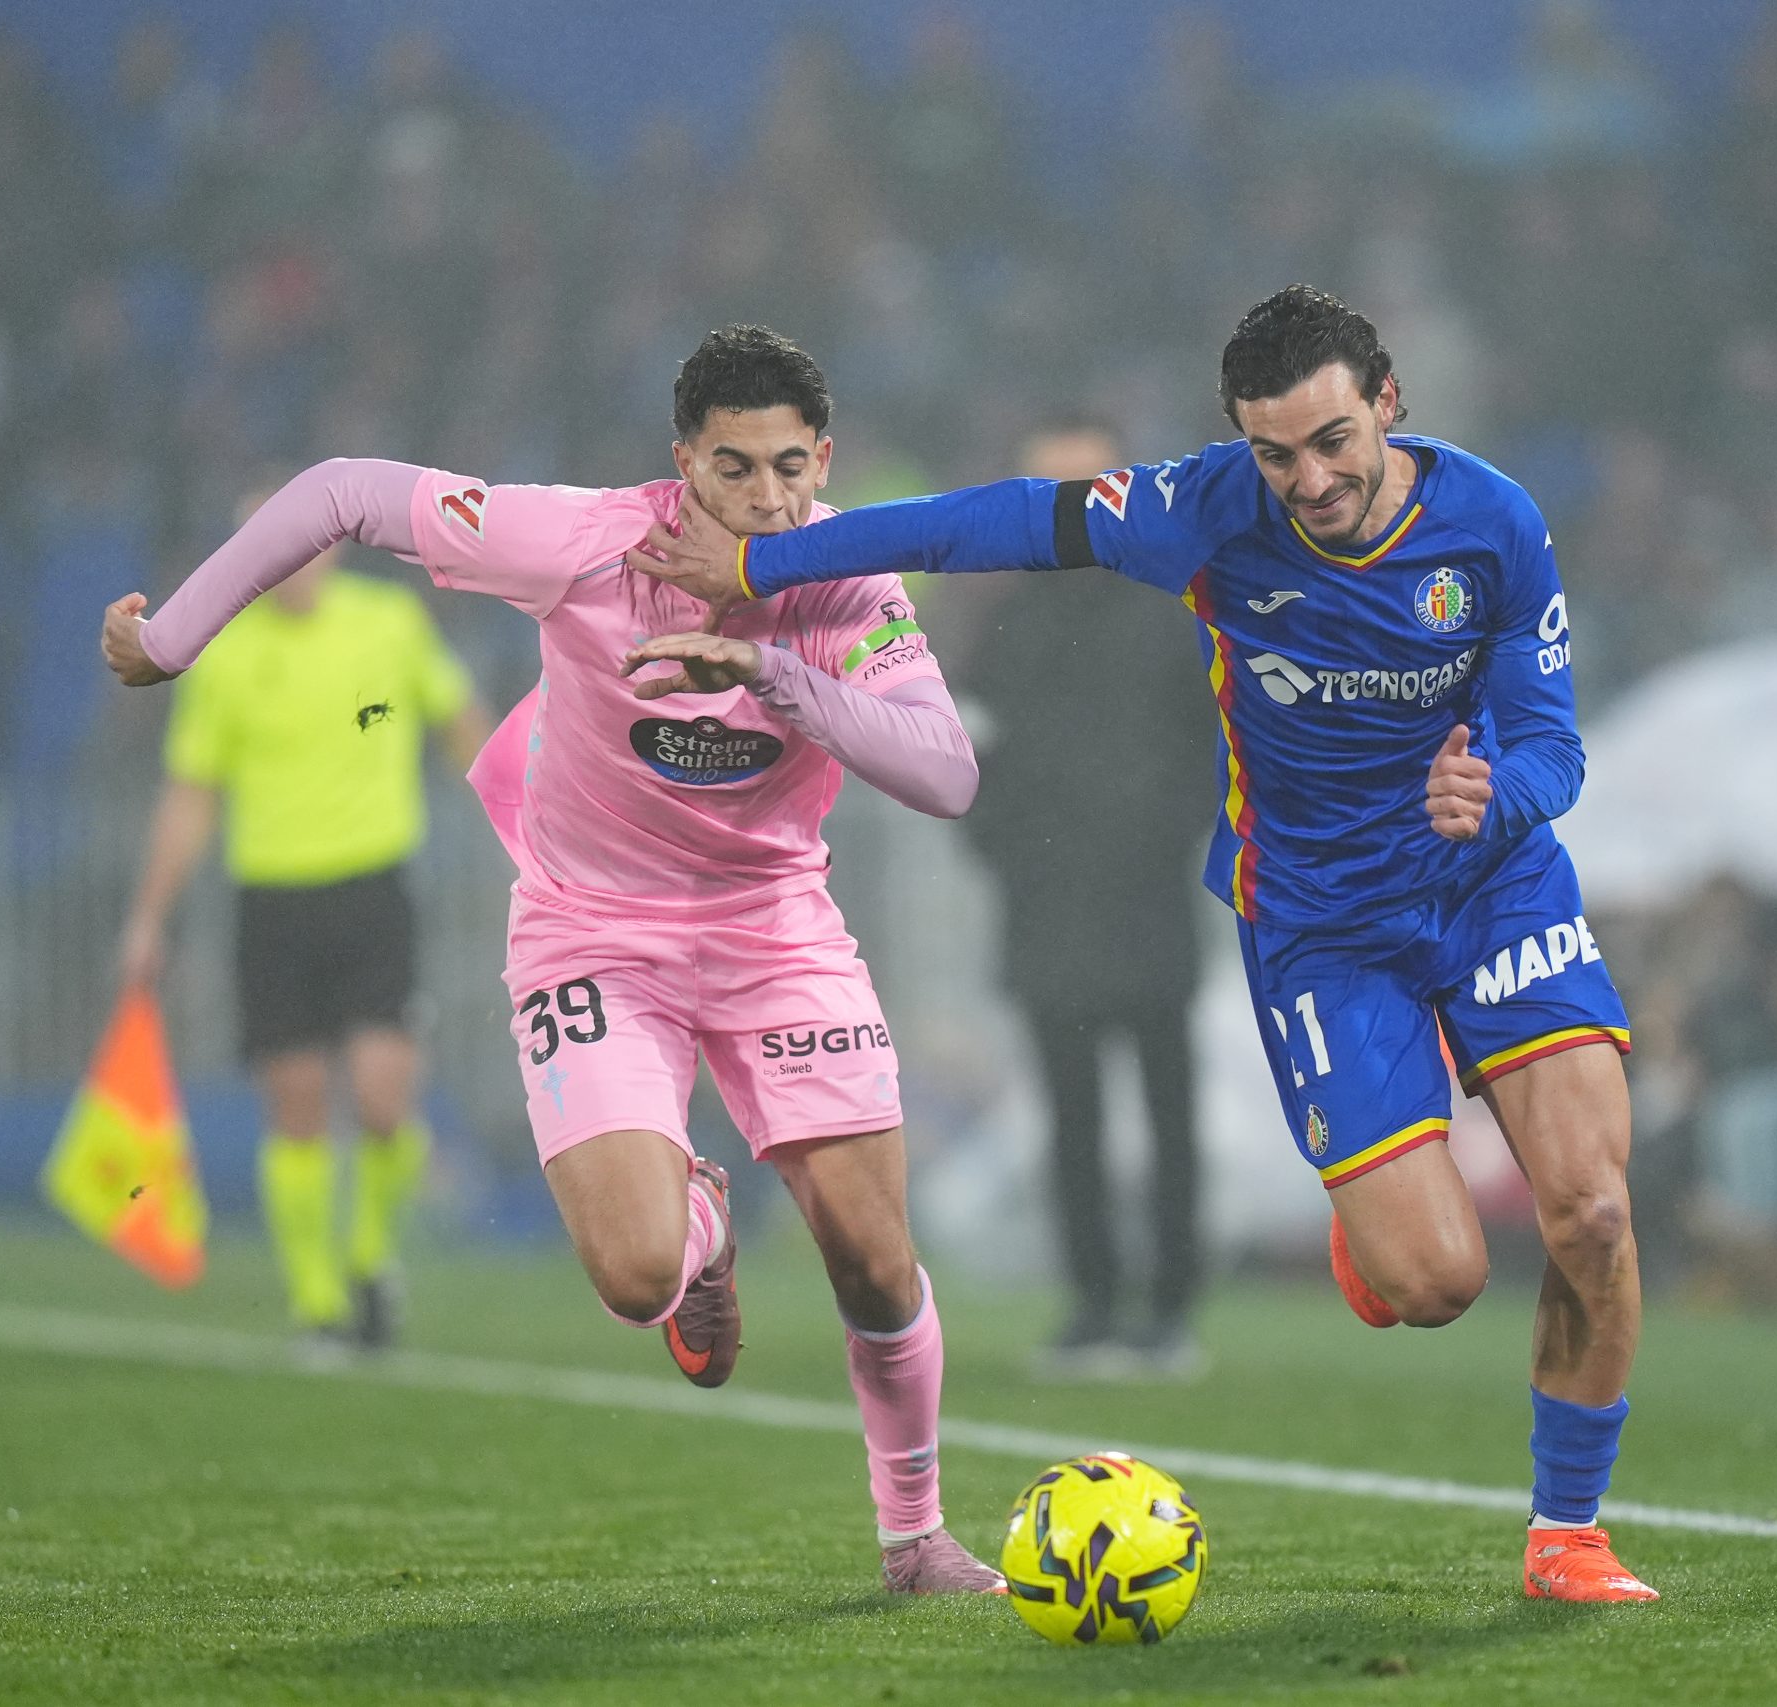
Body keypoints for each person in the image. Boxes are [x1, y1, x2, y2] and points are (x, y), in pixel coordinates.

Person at [632, 286, 1658, 1605]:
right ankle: (1378, 1220)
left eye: (1334, 440)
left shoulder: (1495, 520)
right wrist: (767, 561)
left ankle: (1566, 1534)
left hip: (1496, 883)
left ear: (1387, 403)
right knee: (1437, 1279)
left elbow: (1553, 741)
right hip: (1323, 920)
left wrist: (1491, 796)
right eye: (1277, 452)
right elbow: (988, 523)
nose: (1311, 477)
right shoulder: (1204, 509)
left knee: (1595, 1208)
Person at [101, 326, 1006, 1592]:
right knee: (637, 1277)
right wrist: (179, 635)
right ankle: (696, 1229)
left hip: (775, 930)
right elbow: (346, 491)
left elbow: (946, 773)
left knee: (871, 1257)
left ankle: (914, 1542)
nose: (766, 501)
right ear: (680, 462)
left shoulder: (847, 577)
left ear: (825, 460)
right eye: (733, 470)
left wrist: (774, 672)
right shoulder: (580, 539)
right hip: (594, 927)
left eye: (790, 469)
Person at [117, 487, 492, 1350]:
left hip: (371, 887)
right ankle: (317, 1300)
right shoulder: (225, 653)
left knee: (384, 1096)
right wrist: (148, 917)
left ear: (330, 543)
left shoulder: (389, 622)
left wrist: (523, 818)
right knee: (296, 1102)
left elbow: (460, 722)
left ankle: (369, 1260)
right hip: (272, 898)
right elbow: (191, 794)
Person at [961, 420, 1214, 1381]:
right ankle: (1094, 1300)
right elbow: (964, 752)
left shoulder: (1171, 609)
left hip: (1148, 900)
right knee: (1070, 1115)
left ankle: (1173, 1304)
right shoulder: (1007, 627)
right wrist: (1006, 851)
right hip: (1048, 906)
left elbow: (1216, 746)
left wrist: (1172, 838)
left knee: (1167, 1107)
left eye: (1083, 488)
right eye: (1046, 491)